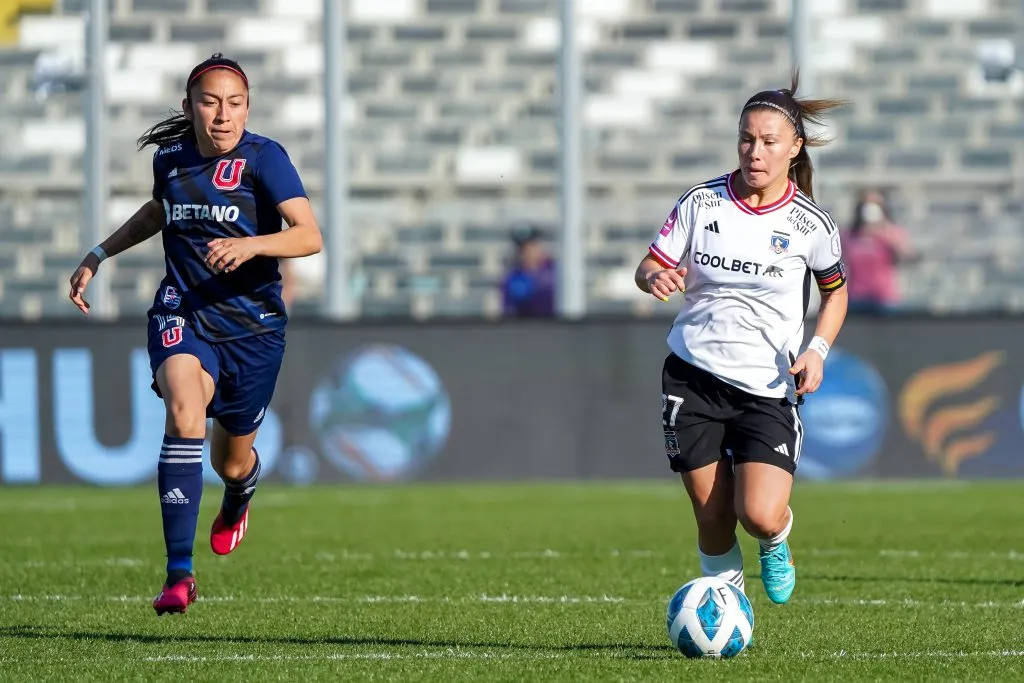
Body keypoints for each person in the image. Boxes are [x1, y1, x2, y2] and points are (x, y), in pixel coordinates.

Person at [67, 54, 322, 615]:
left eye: (234, 104)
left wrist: (252, 244)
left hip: (252, 330)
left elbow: (309, 236)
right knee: (184, 411)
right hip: (183, 311)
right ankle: (178, 575)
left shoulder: (267, 159)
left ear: (247, 108)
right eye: (210, 102)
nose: (222, 115)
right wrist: (99, 253)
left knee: (230, 462)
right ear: (189, 108)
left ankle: (239, 495)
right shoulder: (171, 158)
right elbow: (163, 210)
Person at [634, 74, 849, 605]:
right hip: (693, 376)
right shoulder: (700, 203)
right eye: (746, 139)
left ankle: (777, 539)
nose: (755, 152)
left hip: (767, 387)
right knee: (713, 520)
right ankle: (726, 617)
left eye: (769, 141)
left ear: (794, 147)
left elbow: (836, 294)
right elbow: (649, 266)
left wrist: (817, 350)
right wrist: (653, 278)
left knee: (757, 514)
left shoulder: (811, 224)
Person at [841, 188, 915, 314]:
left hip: (885, 299)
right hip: (857, 298)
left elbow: (907, 256)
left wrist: (885, 233)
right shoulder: (849, 236)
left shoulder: (893, 232)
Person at [501, 223, 556, 318]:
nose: (529, 251)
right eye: (524, 248)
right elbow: (510, 309)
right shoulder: (514, 277)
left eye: (533, 245)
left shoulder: (554, 270)